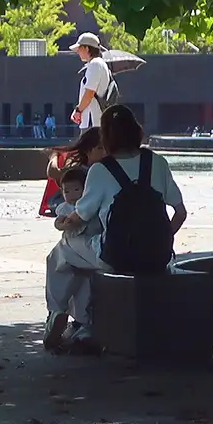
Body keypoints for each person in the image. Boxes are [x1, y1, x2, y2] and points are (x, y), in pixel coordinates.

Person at [44, 105, 188, 352]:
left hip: (115, 256)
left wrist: (62, 223)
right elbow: (180, 212)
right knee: (84, 257)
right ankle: (84, 324)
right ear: (136, 131)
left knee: (63, 250)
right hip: (157, 256)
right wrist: (161, 237)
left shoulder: (101, 170)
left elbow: (80, 216)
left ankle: (57, 312)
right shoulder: (158, 162)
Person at [39, 128, 105, 217]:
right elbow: (53, 172)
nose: (105, 152)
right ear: (87, 150)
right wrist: (54, 156)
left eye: (107, 148)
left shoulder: (109, 167)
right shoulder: (78, 170)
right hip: (71, 209)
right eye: (100, 148)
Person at [70, 32, 113, 131]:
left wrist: (78, 110)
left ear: (87, 48)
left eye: (79, 48)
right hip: (96, 122)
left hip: (92, 122)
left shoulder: (95, 64)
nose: (77, 51)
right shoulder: (99, 63)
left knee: (89, 146)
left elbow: (89, 93)